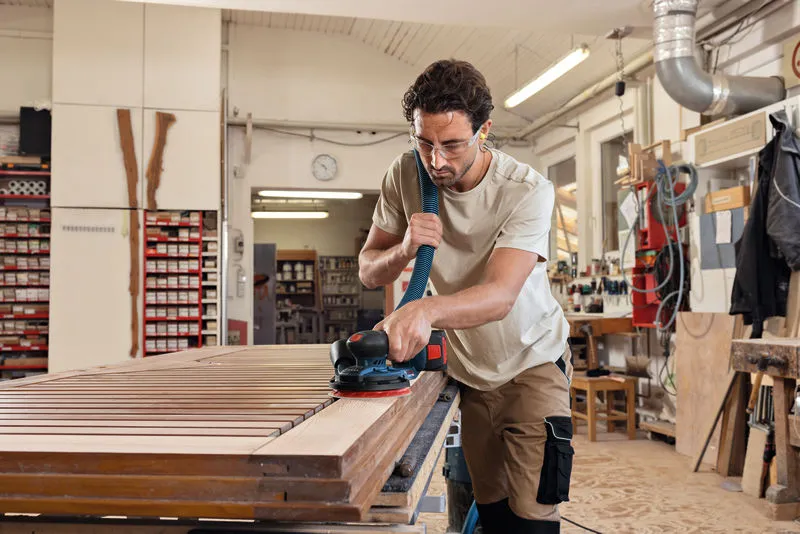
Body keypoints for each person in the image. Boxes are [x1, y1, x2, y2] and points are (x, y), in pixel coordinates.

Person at [358, 59, 574, 534]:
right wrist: (405, 248)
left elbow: (499, 296)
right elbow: (368, 269)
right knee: (492, 514)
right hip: (471, 375)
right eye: (425, 142)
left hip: (531, 362)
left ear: (485, 131)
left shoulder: (525, 191)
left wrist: (423, 309)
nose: (437, 161)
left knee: (532, 521)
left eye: (452, 144)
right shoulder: (405, 175)